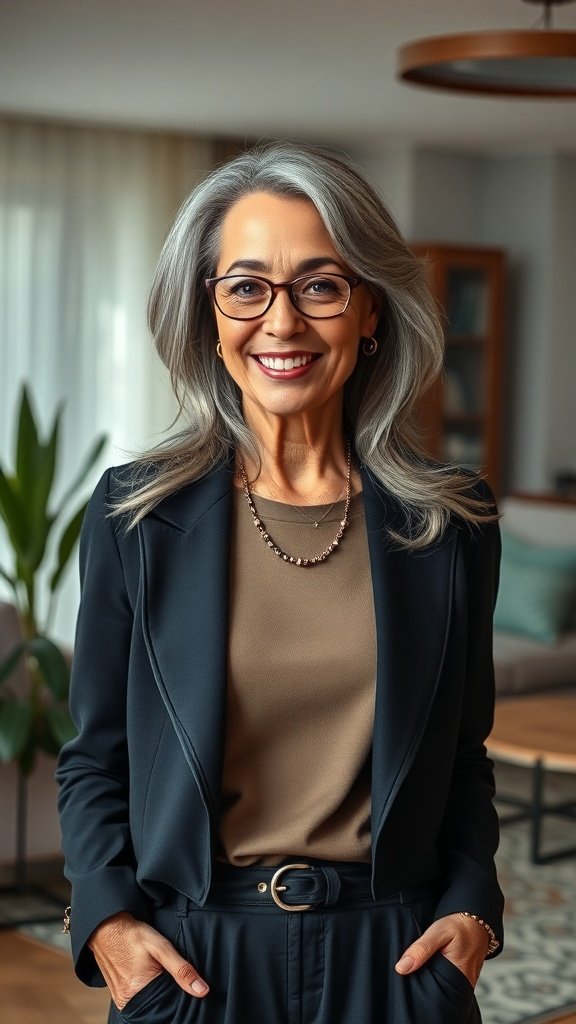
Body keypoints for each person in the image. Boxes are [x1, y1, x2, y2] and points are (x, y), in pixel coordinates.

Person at [56, 141, 504, 1024]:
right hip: (194, 960)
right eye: (247, 286)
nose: (282, 321)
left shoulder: (451, 521)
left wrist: (471, 913)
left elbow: (461, 755)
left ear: (370, 310)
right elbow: (96, 757)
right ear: (210, 313)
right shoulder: (134, 515)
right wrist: (106, 919)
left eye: (321, 286)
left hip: (397, 958)